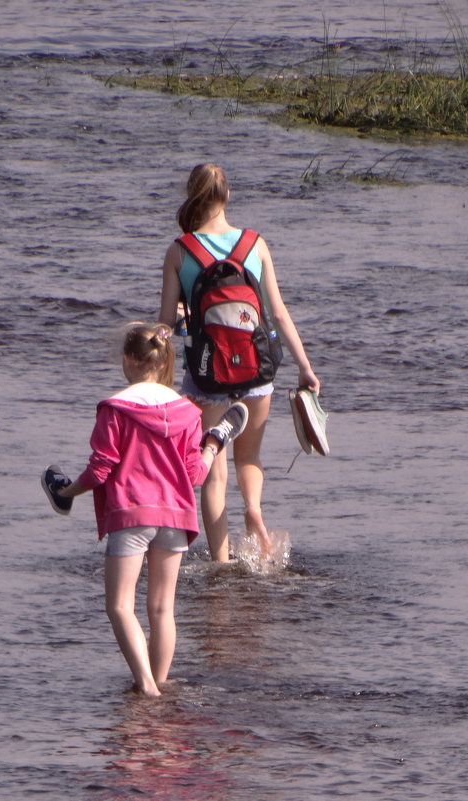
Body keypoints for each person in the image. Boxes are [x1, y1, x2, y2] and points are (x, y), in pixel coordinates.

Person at [40, 322, 248, 696]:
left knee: (120, 606)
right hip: (176, 515)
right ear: (162, 359)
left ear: (128, 359)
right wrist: (210, 450)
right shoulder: (186, 412)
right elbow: (195, 476)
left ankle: (148, 688)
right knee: (161, 610)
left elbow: (101, 468)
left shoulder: (115, 408)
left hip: (131, 513)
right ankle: (217, 440)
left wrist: (67, 491)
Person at [158, 164, 320, 562]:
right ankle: (253, 509)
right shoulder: (254, 245)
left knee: (214, 469)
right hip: (256, 369)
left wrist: (153, 379)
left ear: (192, 196)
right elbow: (278, 314)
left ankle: (221, 561)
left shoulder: (181, 251)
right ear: (228, 195)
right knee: (249, 457)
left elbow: (165, 324)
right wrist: (305, 367)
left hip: (207, 375)